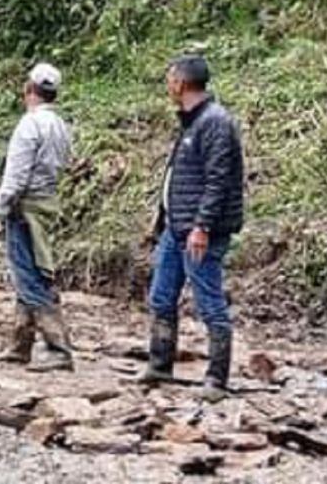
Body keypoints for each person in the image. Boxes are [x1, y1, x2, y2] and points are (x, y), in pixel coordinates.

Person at [143, 54, 244, 402]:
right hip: (176, 226)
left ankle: (217, 378)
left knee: (209, 302)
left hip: (200, 231)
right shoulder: (191, 122)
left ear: (182, 83)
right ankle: (159, 365)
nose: (168, 85)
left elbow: (219, 180)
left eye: (170, 79)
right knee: (160, 295)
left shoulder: (215, 122)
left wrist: (202, 225)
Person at [0, 64, 74, 372]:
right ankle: (20, 345)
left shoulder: (29, 125)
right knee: (32, 273)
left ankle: (58, 347)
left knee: (29, 277)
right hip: (47, 203)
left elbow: (16, 178)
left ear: (28, 89)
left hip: (26, 209)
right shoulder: (60, 125)